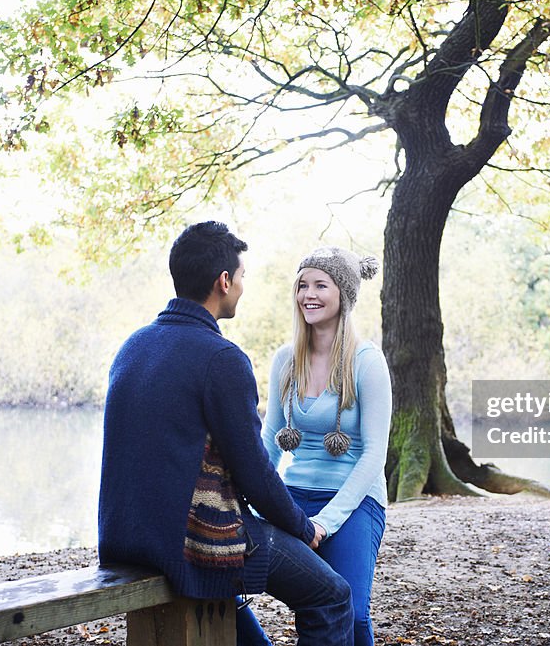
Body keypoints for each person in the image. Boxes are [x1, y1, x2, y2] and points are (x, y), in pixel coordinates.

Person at [98, 221, 354, 646]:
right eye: (241, 277)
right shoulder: (221, 358)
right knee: (331, 597)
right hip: (185, 541)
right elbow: (254, 471)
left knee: (229, 608)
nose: (241, 287)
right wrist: (303, 527)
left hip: (124, 537)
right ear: (223, 281)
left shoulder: (134, 345)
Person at [260, 246, 392, 646]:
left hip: (355, 501)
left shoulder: (367, 362)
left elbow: (374, 454)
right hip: (294, 496)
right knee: (223, 583)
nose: (308, 294)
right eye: (302, 285)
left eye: (321, 284)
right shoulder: (285, 359)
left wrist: (325, 522)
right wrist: (253, 502)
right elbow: (269, 439)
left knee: (350, 612)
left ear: (344, 295)